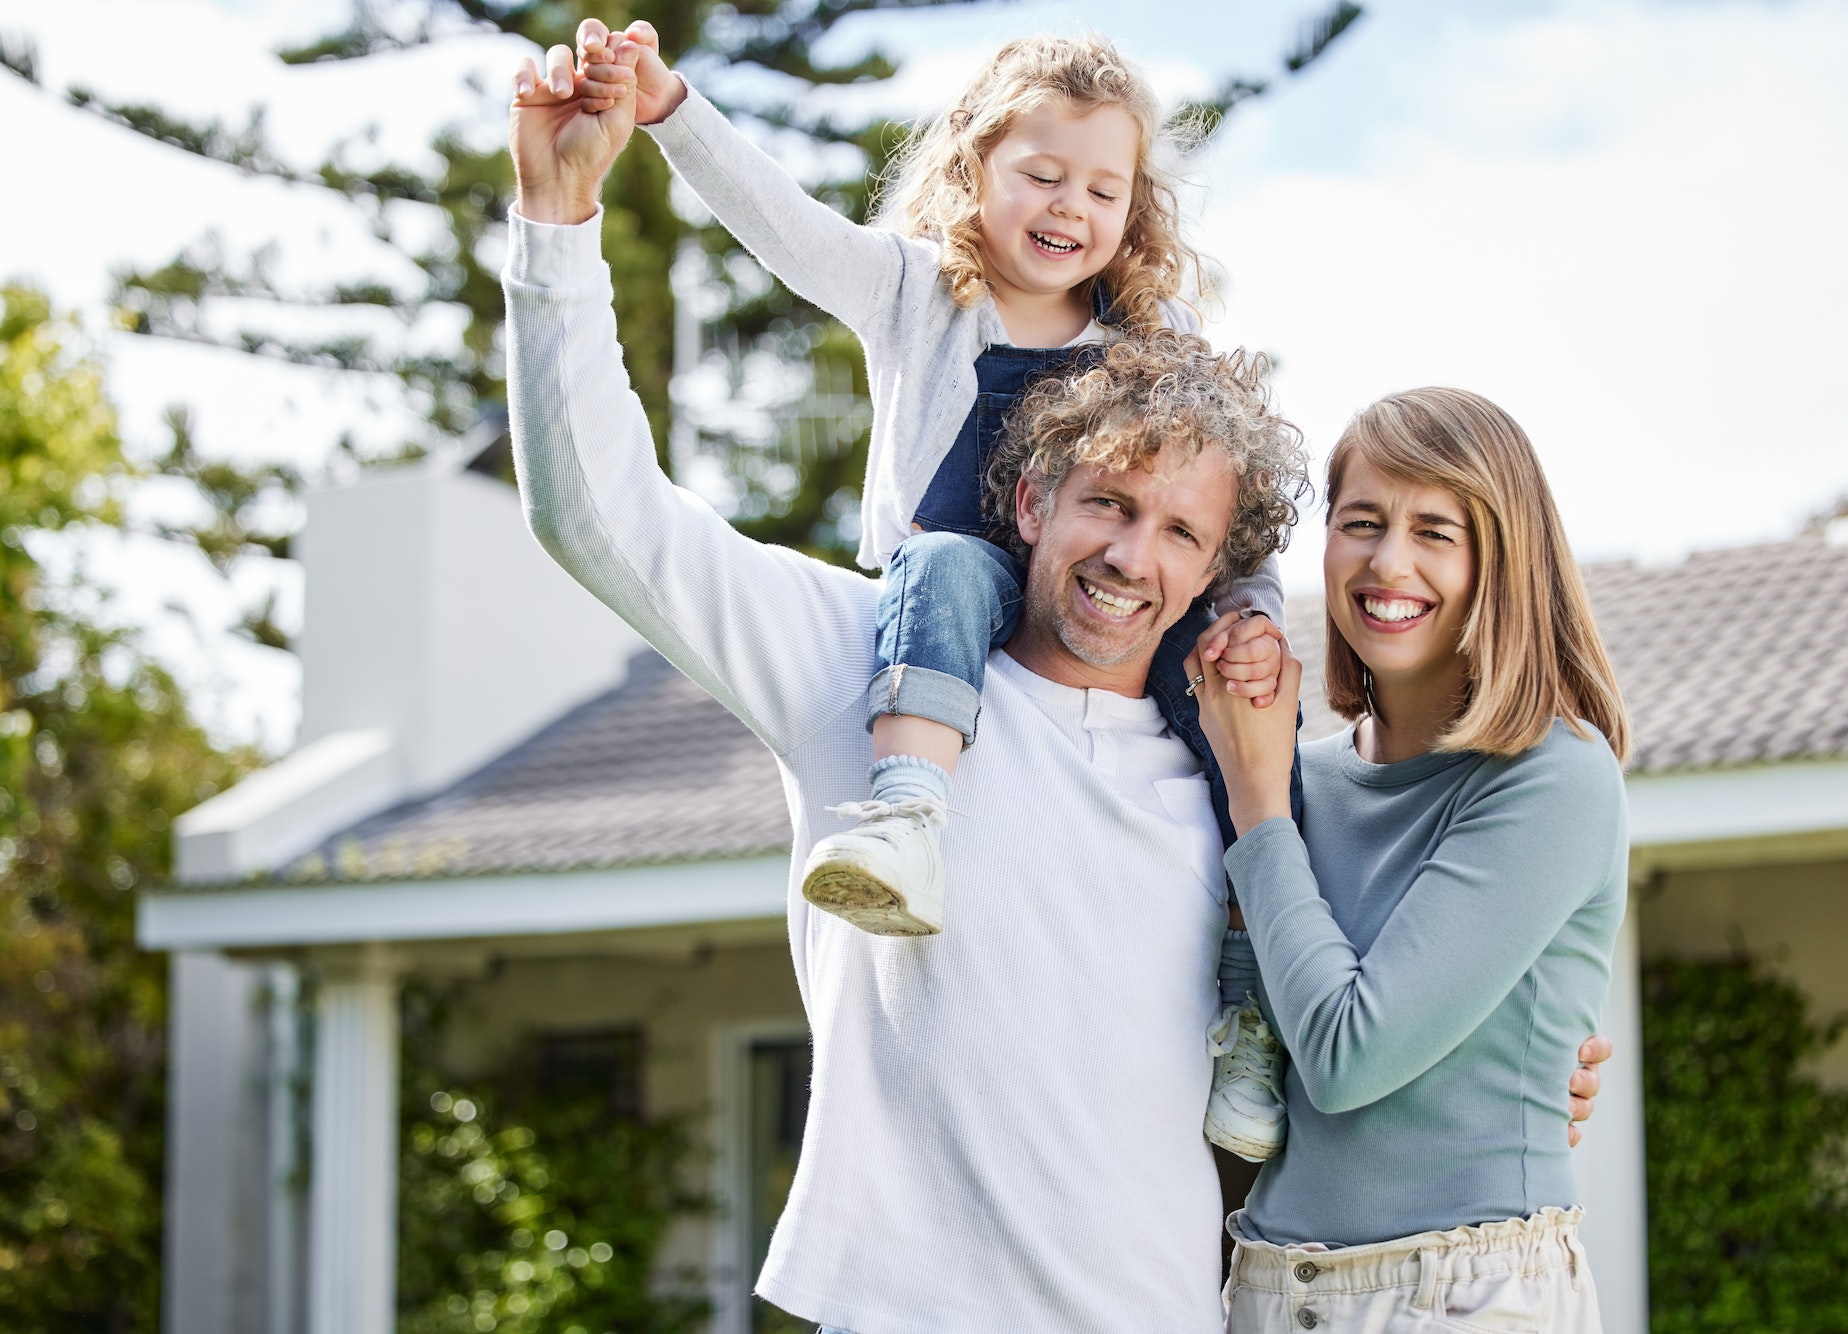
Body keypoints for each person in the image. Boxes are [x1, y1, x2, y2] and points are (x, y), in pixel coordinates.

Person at [504, 44, 1611, 1333]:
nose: (1131, 557)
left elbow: (1354, 1028)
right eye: (1105, 503)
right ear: (1031, 498)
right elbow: (597, 515)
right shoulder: (858, 667)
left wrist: (1531, 1076)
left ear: (1217, 566)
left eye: (1179, 533)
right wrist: (555, 222)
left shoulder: (1240, 783)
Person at [535, 18, 1301, 1163]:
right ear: (973, 167)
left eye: (1102, 188)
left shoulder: (1151, 338)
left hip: (1107, 614)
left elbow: (1223, 493)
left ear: (1133, 207)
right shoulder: (914, 290)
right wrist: (669, 109)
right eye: (1040, 174)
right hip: (956, 592)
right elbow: (782, 227)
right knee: (943, 563)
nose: (1068, 208)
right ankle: (904, 819)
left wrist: (1254, 614)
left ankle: (1249, 1014)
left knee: (1241, 742)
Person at [1191, 388, 1631, 1332]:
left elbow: (1350, 1057)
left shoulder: (1555, 777)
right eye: (1361, 522)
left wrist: (1258, 810)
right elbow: (1236, 1076)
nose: (1389, 561)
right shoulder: (1288, 778)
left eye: (1437, 530)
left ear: (1500, 562)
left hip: (1460, 1296)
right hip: (1267, 1289)